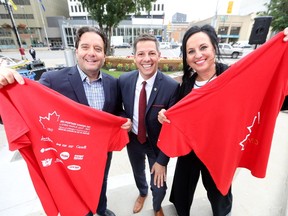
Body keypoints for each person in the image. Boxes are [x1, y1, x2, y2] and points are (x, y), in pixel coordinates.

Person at [0, 26, 131, 216]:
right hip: (68, 154)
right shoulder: (53, 80)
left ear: (104, 54)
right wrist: (5, 85)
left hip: (101, 151)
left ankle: (100, 209)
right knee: (74, 188)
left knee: (101, 181)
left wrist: (121, 119)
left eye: (98, 48)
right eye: (85, 47)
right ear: (76, 50)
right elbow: (26, 108)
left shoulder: (112, 82)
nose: (91, 53)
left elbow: (116, 110)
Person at [158, 25, 288, 216]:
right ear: (186, 57)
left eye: (203, 48)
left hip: (221, 150)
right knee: (182, 186)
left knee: (219, 191)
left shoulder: (234, 76)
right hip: (192, 147)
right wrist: (165, 115)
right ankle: (180, 208)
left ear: (214, 47)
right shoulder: (186, 83)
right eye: (191, 51)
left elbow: (268, 88)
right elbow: (176, 113)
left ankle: (222, 211)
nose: (198, 55)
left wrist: (281, 49)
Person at [118, 34, 180, 216]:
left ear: (159, 55)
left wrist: (162, 160)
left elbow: (174, 127)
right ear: (134, 57)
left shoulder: (171, 86)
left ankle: (157, 205)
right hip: (134, 140)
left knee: (159, 185)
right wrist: (124, 119)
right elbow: (117, 108)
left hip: (158, 146)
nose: (146, 59)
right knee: (138, 172)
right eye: (141, 54)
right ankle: (142, 193)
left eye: (151, 53)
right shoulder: (124, 80)